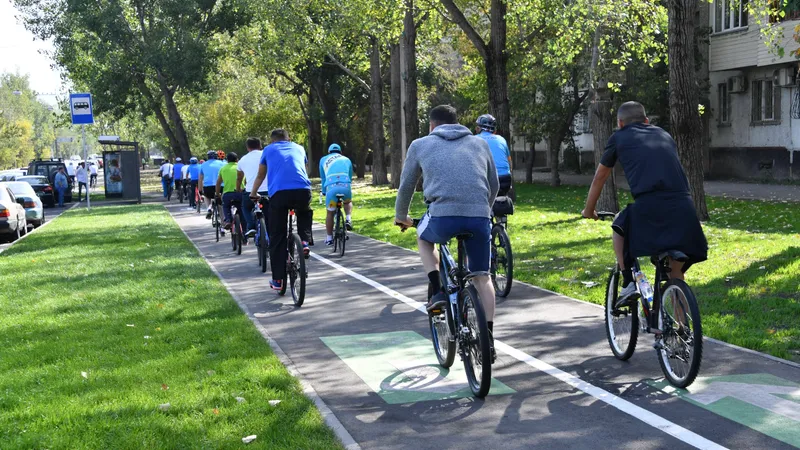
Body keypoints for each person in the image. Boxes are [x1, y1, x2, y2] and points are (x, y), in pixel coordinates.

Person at [394, 105, 499, 355]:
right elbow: (493, 184)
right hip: (479, 216)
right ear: (457, 122)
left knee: (423, 236)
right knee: (483, 277)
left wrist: (400, 217)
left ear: (432, 125)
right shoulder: (479, 144)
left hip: (442, 216)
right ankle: (489, 338)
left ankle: (438, 290)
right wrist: (484, 209)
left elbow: (407, 184)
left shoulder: (420, 144)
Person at [581, 101, 708, 304]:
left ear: (620, 124)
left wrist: (589, 210)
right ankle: (683, 330)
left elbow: (600, 177)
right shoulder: (664, 135)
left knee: (619, 226)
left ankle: (628, 282)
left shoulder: (619, 137)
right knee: (676, 273)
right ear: (647, 121)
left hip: (650, 206)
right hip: (684, 207)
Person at [249, 129, 313, 292]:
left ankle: (278, 279)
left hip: (279, 194)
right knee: (304, 211)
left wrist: (253, 193)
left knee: (277, 236)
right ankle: (304, 241)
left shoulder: (268, 150)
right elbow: (303, 169)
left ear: (272, 141)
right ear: (288, 138)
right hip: (303, 190)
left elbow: (261, 175)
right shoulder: (299, 148)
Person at [319, 143, 353, 245]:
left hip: (331, 188)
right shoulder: (347, 159)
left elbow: (323, 178)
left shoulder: (323, 160)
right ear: (341, 152)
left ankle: (329, 238)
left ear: (329, 152)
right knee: (347, 202)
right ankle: (348, 219)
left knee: (330, 213)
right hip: (345, 186)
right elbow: (350, 177)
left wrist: (324, 192)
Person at [236, 138, 269, 237]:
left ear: (247, 147)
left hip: (251, 191)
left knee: (245, 207)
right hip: (268, 190)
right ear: (260, 145)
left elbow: (239, 178)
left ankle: (251, 226)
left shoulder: (242, 160)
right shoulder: (266, 155)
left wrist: (238, 189)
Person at [475, 114, 513, 198]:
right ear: (494, 130)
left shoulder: (475, 139)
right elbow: (509, 162)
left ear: (478, 128)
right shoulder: (501, 139)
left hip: (488, 179)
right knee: (499, 203)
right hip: (505, 178)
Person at [216, 152, 240, 230]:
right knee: (242, 210)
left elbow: (218, 183)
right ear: (237, 159)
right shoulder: (240, 167)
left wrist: (217, 193)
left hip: (227, 193)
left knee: (225, 206)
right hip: (239, 192)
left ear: (227, 160)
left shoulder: (223, 168)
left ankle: (228, 221)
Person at [198, 151, 225, 219]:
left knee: (207, 197)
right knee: (220, 203)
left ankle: (209, 208)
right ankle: (223, 221)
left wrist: (200, 190)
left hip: (208, 186)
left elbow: (200, 179)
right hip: (220, 186)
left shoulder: (203, 165)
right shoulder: (222, 163)